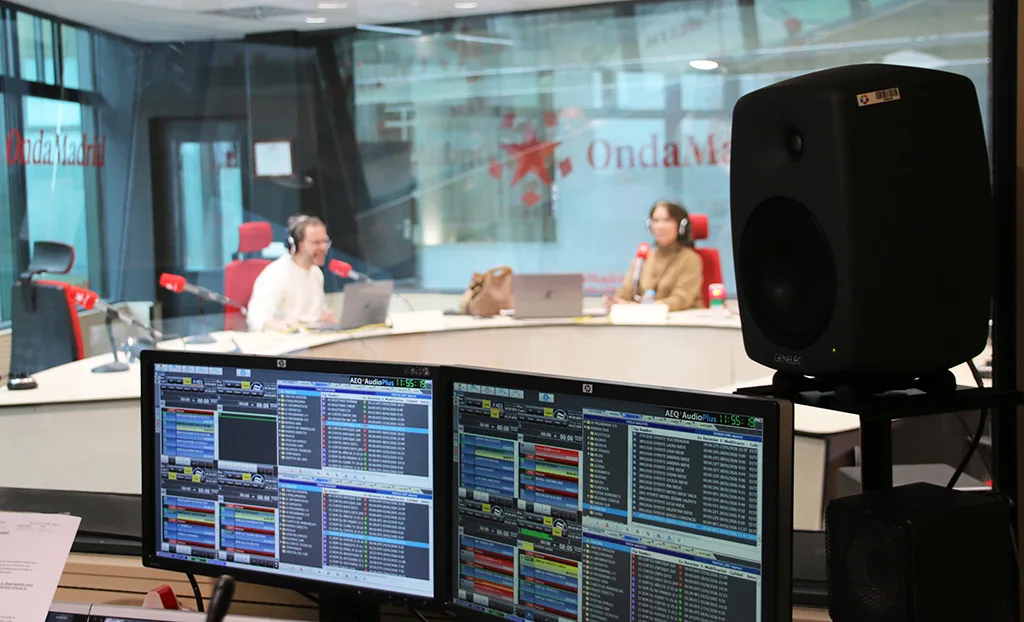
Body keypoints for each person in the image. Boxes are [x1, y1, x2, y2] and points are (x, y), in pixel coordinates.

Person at [246, 214, 339, 331]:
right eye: (316, 242)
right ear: (297, 245)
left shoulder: (316, 273)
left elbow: (313, 313)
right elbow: (256, 316)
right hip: (286, 339)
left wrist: (325, 317)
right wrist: (278, 326)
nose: (324, 248)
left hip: (312, 336)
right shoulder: (277, 273)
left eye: (325, 241)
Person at [610, 200, 704, 312]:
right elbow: (625, 292)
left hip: (681, 320)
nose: (660, 226)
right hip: (644, 319)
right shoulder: (642, 257)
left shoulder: (690, 259)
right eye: (656, 221)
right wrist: (616, 302)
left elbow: (681, 300)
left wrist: (643, 308)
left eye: (667, 220)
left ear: (681, 226)